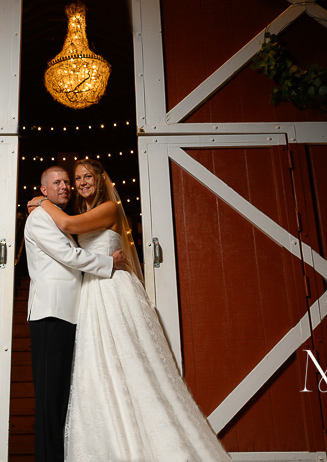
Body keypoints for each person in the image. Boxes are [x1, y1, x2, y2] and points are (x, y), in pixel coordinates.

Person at [37, 159, 232, 462]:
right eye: (77, 178)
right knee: (95, 366)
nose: (81, 183)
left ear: (101, 180)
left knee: (129, 359)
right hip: (90, 294)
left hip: (112, 288)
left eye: (87, 176)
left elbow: (67, 226)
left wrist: (39, 201)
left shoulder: (109, 210)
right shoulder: (82, 212)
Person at [23, 165, 125, 462]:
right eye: (57, 183)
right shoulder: (40, 217)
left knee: (64, 396)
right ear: (43, 190)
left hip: (72, 314)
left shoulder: (61, 218)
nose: (65, 186)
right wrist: (108, 263)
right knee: (49, 398)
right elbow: (69, 256)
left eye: (67, 181)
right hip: (50, 315)